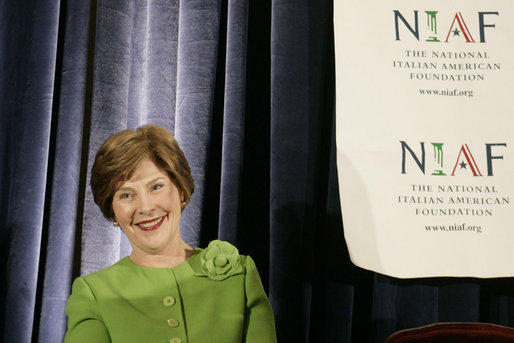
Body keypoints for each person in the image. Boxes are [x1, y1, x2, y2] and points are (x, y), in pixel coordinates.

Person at [65, 125, 277, 343]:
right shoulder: (94, 293)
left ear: (181, 191)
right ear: (113, 210)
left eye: (156, 187)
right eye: (126, 195)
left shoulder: (239, 275)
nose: (145, 207)